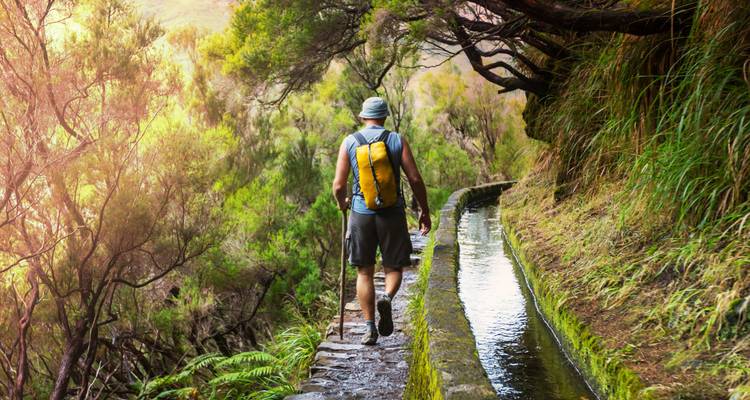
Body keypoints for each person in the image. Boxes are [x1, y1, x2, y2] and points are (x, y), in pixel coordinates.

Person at [332, 97, 431, 345]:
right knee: (394, 267)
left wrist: (342, 203)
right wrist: (424, 211)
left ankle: (369, 329)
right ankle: (386, 297)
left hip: (360, 213)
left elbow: (338, 185)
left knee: (364, 271)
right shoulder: (397, 140)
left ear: (363, 117)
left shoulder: (350, 142)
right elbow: (416, 179)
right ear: (385, 116)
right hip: (392, 212)